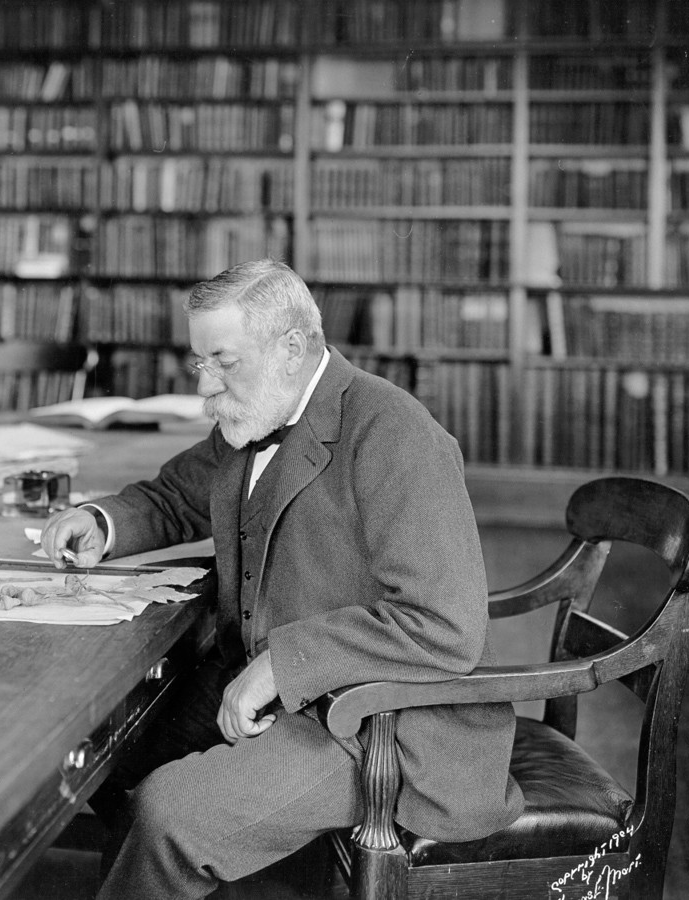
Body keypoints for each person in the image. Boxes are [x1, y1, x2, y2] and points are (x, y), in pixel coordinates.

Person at [40, 259, 524, 899]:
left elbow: (446, 626)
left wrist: (279, 668)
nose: (204, 387)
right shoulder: (255, 411)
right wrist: (102, 522)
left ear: (292, 348)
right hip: (281, 693)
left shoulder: (395, 433)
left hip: (378, 724)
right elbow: (175, 497)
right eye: (198, 363)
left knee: (168, 814)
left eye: (222, 361)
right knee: (109, 758)